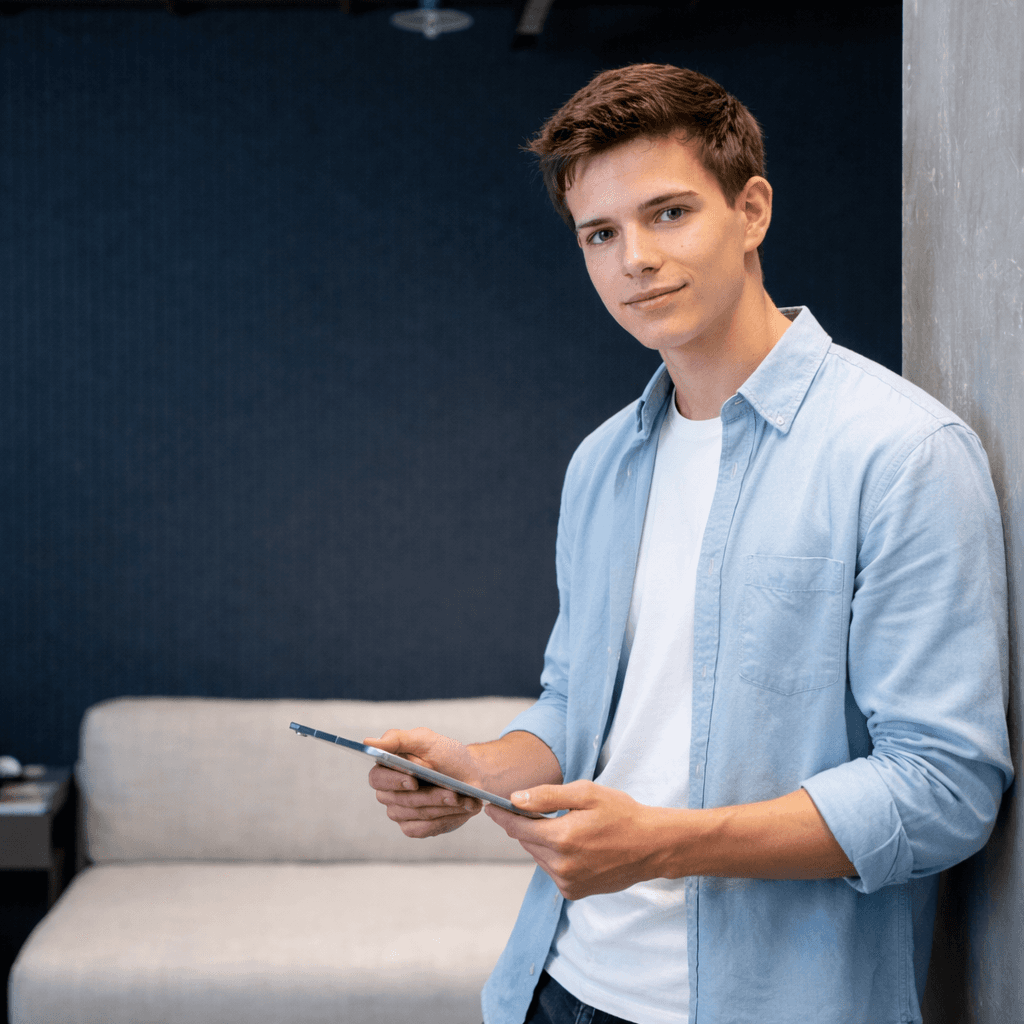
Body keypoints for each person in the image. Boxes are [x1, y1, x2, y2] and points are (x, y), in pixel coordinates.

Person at [365, 64, 1013, 1024]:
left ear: (750, 210)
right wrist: (476, 769)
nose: (634, 258)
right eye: (601, 233)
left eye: (668, 213)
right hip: (560, 985)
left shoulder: (904, 454)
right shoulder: (602, 464)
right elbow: (577, 709)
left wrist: (664, 843)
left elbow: (942, 789)